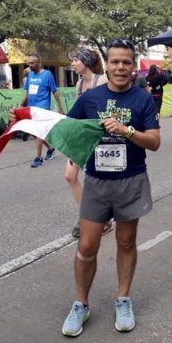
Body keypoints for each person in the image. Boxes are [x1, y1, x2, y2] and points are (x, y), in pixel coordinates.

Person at [61, 39, 160, 337]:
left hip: (131, 180)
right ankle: (81, 304)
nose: (120, 67)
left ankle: (123, 299)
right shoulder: (92, 98)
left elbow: (154, 142)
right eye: (115, 62)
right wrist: (27, 119)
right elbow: (69, 130)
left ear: (133, 67)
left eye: (126, 62)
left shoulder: (142, 99)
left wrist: (127, 130)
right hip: (97, 182)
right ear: (107, 64)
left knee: (126, 243)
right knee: (87, 246)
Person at [66, 48, 108, 238]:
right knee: (70, 176)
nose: (72, 64)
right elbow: (78, 112)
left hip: (100, 137)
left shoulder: (103, 81)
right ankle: (87, 216)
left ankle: (100, 219)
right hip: (82, 136)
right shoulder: (79, 84)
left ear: (86, 61)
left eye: (75, 60)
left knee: (98, 181)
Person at [20, 54, 63, 168]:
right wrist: (20, 105)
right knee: (35, 133)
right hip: (32, 108)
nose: (30, 65)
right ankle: (50, 148)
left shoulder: (47, 74)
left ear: (38, 63)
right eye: (28, 63)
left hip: (43, 107)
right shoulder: (30, 75)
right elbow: (27, 93)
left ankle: (38, 158)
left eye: (32, 63)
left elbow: (54, 91)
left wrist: (60, 107)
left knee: (39, 132)